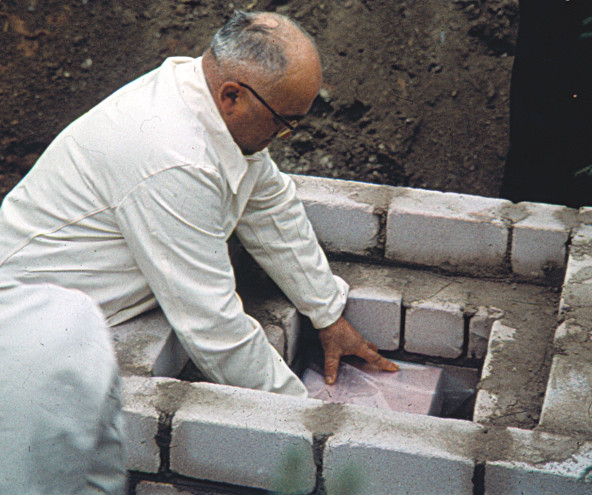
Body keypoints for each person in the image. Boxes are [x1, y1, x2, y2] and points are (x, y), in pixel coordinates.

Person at [0, 10, 397, 494]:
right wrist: (314, 423)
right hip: (23, 321)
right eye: (284, 122)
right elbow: (213, 327)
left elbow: (269, 203)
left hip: (85, 301)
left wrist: (328, 314)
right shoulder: (171, 156)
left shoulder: (208, 102)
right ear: (233, 95)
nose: (284, 136)